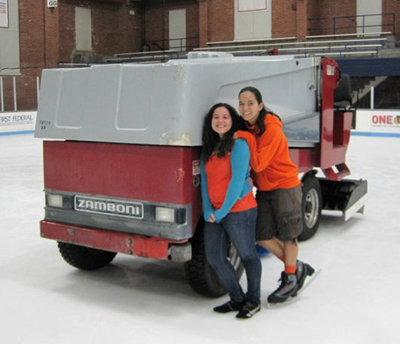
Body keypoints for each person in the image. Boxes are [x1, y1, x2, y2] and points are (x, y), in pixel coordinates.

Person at [236, 86, 315, 304]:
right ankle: (296, 266)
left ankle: (290, 277)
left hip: (285, 186)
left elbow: (259, 164)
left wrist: (244, 136)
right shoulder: (248, 127)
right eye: (241, 103)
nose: (245, 107)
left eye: (250, 103)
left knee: (289, 234)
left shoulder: (271, 129)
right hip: (265, 189)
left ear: (260, 106)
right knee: (261, 235)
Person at [200, 103, 262, 319]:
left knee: (247, 255)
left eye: (225, 117)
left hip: (239, 210)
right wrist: (208, 208)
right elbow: (205, 181)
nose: (220, 121)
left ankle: (253, 300)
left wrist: (223, 211)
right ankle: (237, 298)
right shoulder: (209, 148)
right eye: (215, 117)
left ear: (232, 120)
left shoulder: (239, 145)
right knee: (214, 257)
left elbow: (237, 181)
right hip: (215, 212)